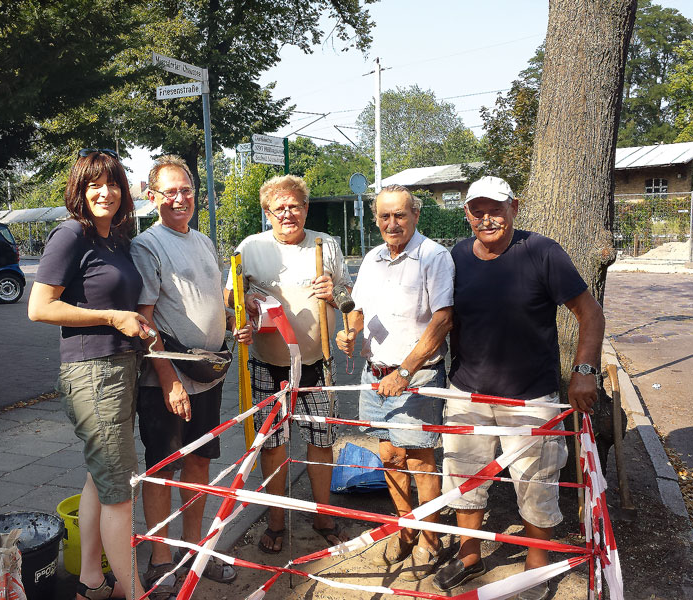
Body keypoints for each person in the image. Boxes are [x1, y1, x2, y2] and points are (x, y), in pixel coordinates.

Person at [433, 176, 605, 600]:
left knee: (536, 482)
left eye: (496, 209)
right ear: (467, 214)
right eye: (477, 210)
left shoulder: (541, 252)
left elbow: (590, 314)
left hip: (529, 396)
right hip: (466, 392)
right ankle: (469, 556)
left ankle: (535, 566)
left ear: (515, 207)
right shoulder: (456, 255)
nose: (486, 218)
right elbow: (441, 315)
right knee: (463, 479)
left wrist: (585, 370)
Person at [28, 148, 150, 600]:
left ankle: (93, 581)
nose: (105, 192)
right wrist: (113, 317)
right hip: (93, 374)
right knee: (120, 486)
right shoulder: (71, 234)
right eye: (94, 184)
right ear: (79, 191)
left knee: (102, 476)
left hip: (121, 367)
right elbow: (39, 307)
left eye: (113, 182)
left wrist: (135, 324)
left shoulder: (115, 239)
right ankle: (132, 591)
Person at [130, 155, 251, 592]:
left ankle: (195, 550)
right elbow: (145, 320)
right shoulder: (148, 245)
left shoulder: (201, 241)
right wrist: (169, 381)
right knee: (163, 467)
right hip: (169, 379)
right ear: (152, 196)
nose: (180, 198)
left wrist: (234, 311)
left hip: (208, 376)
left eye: (187, 190)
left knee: (200, 462)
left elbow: (211, 296)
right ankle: (160, 561)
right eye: (170, 191)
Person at [224, 175, 352, 554]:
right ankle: (276, 520)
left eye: (294, 205)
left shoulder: (325, 244)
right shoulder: (250, 247)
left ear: (306, 209)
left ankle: (324, 516)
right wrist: (240, 313)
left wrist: (335, 294)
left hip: (318, 363)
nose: (287, 213)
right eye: (278, 208)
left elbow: (348, 295)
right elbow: (232, 297)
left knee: (321, 441)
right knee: (274, 444)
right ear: (267, 213)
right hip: (268, 364)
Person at [336, 184, 454, 581]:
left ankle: (431, 537)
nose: (392, 223)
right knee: (389, 456)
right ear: (376, 219)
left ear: (415, 216)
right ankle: (406, 528)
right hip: (377, 376)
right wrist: (348, 333)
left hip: (415, 376)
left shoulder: (434, 256)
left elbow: (442, 320)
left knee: (420, 460)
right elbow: (359, 308)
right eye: (384, 216)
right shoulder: (371, 257)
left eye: (400, 215)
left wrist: (405, 371)